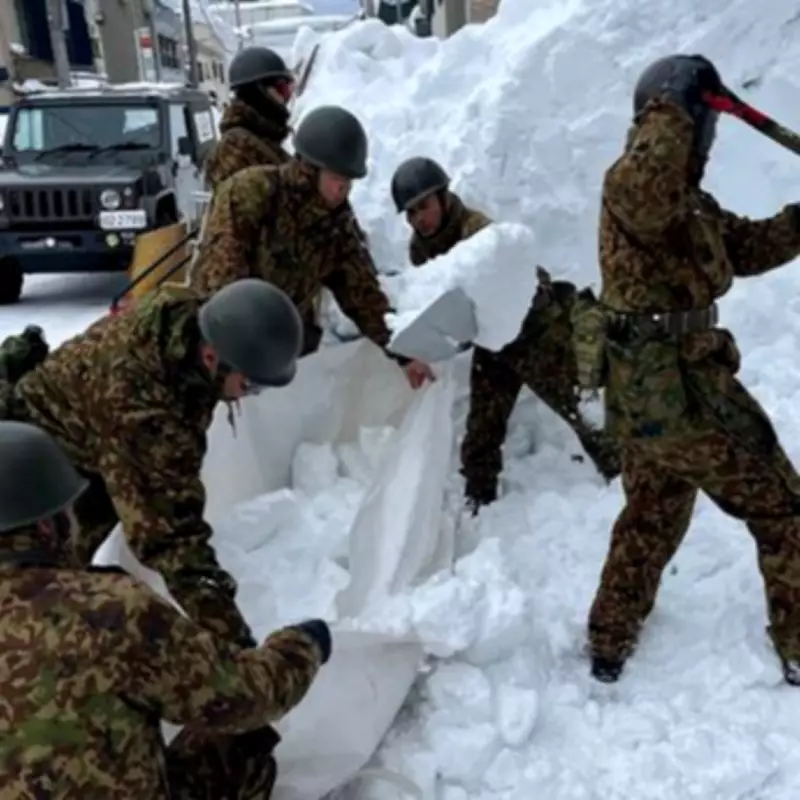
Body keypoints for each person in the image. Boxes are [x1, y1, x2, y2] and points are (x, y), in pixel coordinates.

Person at [584, 54, 800, 685]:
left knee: (653, 510)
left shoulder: (688, 204)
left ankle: (608, 640)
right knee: (783, 506)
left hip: (653, 391)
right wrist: (672, 106)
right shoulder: (632, 186)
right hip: (679, 387)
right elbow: (645, 191)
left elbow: (746, 247)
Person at [0, 418, 331, 798]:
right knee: (236, 741)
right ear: (47, 527)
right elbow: (244, 696)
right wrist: (303, 646)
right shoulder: (109, 610)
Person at [0, 278, 305, 649]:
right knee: (45, 590)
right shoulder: (143, 408)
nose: (248, 397)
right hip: (30, 468)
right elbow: (171, 539)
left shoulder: (194, 323)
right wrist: (239, 648)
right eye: (249, 386)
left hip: (89, 441)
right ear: (212, 359)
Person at [390, 156, 620, 513]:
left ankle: (626, 477)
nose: (420, 218)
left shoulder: (478, 232)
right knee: (482, 429)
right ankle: (479, 500)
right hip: (492, 341)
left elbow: (507, 282)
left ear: (443, 198)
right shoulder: (421, 251)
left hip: (533, 330)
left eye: (425, 205)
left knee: (578, 408)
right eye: (412, 212)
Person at [190, 104, 434, 389]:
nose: (342, 190)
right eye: (336, 179)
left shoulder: (337, 225)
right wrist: (229, 364)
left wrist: (402, 352)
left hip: (283, 350)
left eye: (348, 181)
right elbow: (220, 282)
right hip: (225, 347)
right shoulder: (252, 194)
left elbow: (362, 294)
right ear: (309, 169)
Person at [205, 45, 295, 189]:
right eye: (282, 89)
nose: (285, 99)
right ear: (258, 92)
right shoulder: (236, 148)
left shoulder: (262, 138)